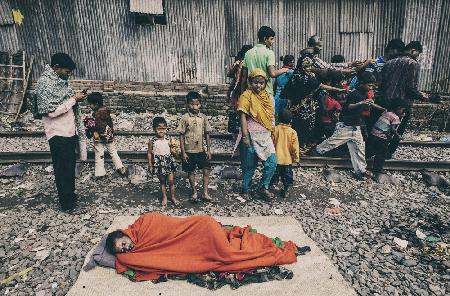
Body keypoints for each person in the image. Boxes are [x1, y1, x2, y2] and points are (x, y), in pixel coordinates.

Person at [105, 213, 298, 281]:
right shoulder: (135, 253)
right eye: (121, 250)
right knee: (219, 256)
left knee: (228, 255)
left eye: (124, 244)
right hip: (196, 243)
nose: (126, 249)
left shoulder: (144, 222)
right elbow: (130, 260)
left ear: (124, 233)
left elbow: (170, 227)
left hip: (200, 226)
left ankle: (268, 250)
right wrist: (122, 256)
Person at [30, 53, 87, 211]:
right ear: (56, 68)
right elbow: (50, 112)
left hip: (68, 131)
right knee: (62, 169)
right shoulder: (45, 84)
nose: (68, 75)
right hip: (57, 133)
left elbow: (66, 101)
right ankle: (67, 204)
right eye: (67, 72)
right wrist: (74, 99)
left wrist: (75, 99)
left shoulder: (61, 81)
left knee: (69, 167)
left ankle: (70, 196)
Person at [313, 72, 377, 180]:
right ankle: (317, 151)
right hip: (346, 126)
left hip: (355, 126)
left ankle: (361, 170)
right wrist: (361, 103)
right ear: (361, 83)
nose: (371, 87)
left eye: (372, 85)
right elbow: (348, 107)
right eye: (369, 85)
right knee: (332, 142)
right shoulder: (355, 94)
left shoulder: (364, 94)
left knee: (359, 148)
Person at [234, 68, 277, 200]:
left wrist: (272, 132)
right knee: (250, 165)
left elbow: (271, 117)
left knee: (272, 163)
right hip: (251, 136)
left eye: (261, 83)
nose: (258, 85)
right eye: (255, 82)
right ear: (250, 82)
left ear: (265, 83)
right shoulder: (246, 96)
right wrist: (245, 137)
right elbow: (242, 117)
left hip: (265, 136)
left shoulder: (268, 97)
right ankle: (245, 189)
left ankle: (263, 187)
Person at [380, 41, 428, 158]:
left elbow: (382, 84)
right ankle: (387, 153)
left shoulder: (388, 63)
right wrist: (423, 96)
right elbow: (411, 88)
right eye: (418, 54)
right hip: (402, 104)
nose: (417, 57)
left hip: (385, 101)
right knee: (397, 130)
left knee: (383, 128)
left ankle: (378, 151)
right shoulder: (413, 64)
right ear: (413, 51)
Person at [178, 91, 213, 202]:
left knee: (206, 170)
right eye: (192, 104)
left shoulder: (203, 117)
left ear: (200, 104)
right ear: (188, 104)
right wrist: (183, 152)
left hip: (201, 150)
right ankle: (194, 191)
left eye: (197, 104)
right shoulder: (185, 118)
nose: (195, 107)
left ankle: (205, 193)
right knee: (191, 171)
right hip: (189, 150)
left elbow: (207, 133)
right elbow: (181, 135)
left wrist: (208, 149)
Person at [84, 92, 127, 178]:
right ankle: (120, 167)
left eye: (90, 104)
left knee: (99, 153)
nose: (89, 106)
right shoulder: (106, 111)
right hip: (108, 136)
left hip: (99, 137)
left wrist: (94, 132)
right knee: (113, 152)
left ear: (96, 104)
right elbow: (110, 124)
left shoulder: (96, 114)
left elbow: (97, 125)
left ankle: (100, 173)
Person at [240, 26, 289, 97]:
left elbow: (244, 77)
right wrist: (285, 69)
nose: (273, 42)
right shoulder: (269, 53)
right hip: (266, 93)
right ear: (265, 39)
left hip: (251, 94)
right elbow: (272, 73)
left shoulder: (248, 53)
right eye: (271, 39)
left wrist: (243, 95)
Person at [282, 56, 320, 146]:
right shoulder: (297, 76)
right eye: (306, 67)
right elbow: (292, 92)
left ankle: (304, 145)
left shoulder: (311, 76)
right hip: (298, 106)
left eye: (310, 66)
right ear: (301, 66)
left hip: (309, 106)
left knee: (309, 125)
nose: (309, 68)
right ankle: (298, 146)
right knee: (299, 125)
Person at [367, 99, 407, 177]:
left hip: (373, 133)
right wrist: (398, 135)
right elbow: (393, 128)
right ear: (398, 108)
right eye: (402, 109)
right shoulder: (395, 118)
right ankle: (377, 169)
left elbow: (389, 119)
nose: (402, 111)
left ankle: (364, 161)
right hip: (381, 136)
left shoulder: (386, 112)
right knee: (382, 153)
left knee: (371, 148)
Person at [147, 117, 179, 208]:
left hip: (168, 162)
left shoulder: (169, 139)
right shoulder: (152, 141)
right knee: (162, 181)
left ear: (166, 129)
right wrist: (150, 165)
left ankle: (173, 197)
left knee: (171, 181)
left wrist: (175, 150)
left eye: (163, 129)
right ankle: (164, 197)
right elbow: (149, 153)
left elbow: (174, 150)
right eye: (159, 129)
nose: (161, 131)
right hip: (159, 163)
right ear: (154, 129)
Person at [270, 109, 299, 198]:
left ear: (278, 118)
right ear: (290, 120)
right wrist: (296, 158)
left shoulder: (275, 129)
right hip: (287, 160)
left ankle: (270, 189)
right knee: (287, 177)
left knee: (273, 175)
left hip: (276, 158)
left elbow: (271, 142)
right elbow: (295, 147)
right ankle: (286, 190)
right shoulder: (293, 132)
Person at [227, 45, 253, 136]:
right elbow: (231, 74)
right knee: (241, 113)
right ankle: (240, 134)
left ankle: (239, 134)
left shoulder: (244, 62)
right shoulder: (244, 62)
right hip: (240, 91)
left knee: (239, 113)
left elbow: (230, 75)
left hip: (238, 91)